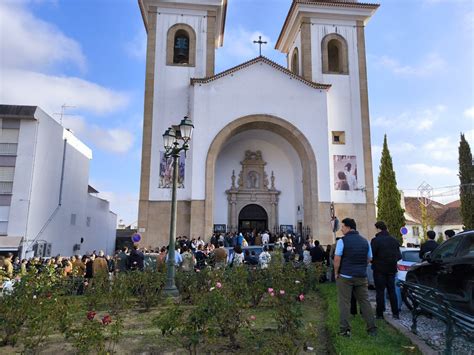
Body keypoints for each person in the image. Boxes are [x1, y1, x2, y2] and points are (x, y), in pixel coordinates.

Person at [333, 218, 377, 337]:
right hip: (361, 276)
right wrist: (361, 266)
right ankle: (372, 328)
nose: (341, 229)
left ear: (348, 227)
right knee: (365, 302)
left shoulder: (342, 241)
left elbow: (337, 259)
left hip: (345, 276)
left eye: (342, 227)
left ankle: (345, 330)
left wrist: (336, 272)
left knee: (344, 303)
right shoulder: (365, 241)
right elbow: (369, 258)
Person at [371, 221, 401, 320]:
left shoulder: (375, 240)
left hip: (379, 270)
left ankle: (380, 314)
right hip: (392, 269)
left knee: (380, 292)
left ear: (378, 228)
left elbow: (372, 255)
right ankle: (395, 313)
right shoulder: (394, 240)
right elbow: (399, 256)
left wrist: (375, 262)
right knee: (392, 291)